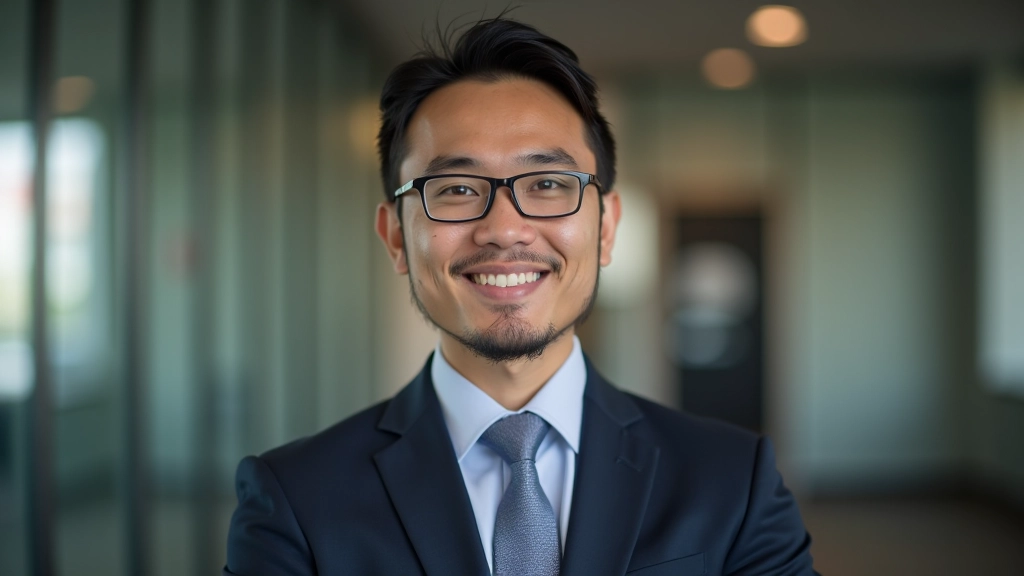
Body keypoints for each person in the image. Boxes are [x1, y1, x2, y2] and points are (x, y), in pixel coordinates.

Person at [223, 16, 817, 576]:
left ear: (606, 227)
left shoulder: (734, 483)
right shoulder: (296, 499)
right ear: (396, 238)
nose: (505, 229)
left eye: (549, 184)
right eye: (454, 188)